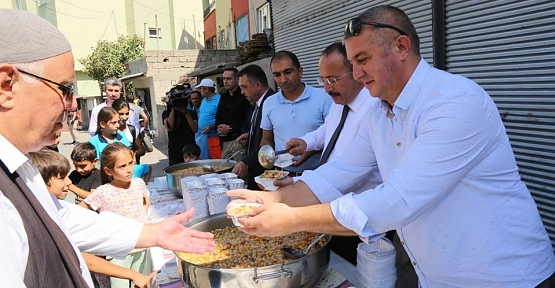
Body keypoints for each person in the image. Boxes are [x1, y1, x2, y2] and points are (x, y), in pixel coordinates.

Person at [228, 5, 555, 287]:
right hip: (436, 277)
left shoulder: (454, 101)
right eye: (352, 63)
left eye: (363, 59)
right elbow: (337, 174)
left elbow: (398, 201)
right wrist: (271, 198)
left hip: (508, 277)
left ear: (401, 47)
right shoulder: (380, 115)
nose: (356, 74)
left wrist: (289, 219)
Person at [0, 9, 214, 287]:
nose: (73, 104)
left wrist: (152, 233)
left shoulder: (18, 165)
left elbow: (61, 218)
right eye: (65, 89)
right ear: (7, 86)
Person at [279, 42, 388, 272]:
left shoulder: (375, 110)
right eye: (323, 80)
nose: (327, 88)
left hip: (358, 213)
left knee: (354, 271)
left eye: (333, 79)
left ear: (357, 74)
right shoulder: (339, 102)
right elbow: (327, 129)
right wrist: (307, 141)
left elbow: (351, 170)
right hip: (328, 198)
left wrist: (301, 186)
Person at [29, 149, 157, 288]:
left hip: (137, 245)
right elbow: (86, 258)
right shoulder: (45, 217)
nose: (69, 182)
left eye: (130, 163)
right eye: (62, 177)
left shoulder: (59, 209)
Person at [79, 143, 151, 288]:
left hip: (141, 246)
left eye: (130, 163)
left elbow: (146, 199)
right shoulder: (103, 192)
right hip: (116, 252)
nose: (129, 169)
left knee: (142, 283)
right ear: (108, 171)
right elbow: (80, 210)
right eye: (122, 166)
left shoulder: (138, 184)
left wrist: (142, 214)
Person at [260, 50, 332, 174]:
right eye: (277, 75)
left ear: (300, 71)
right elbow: (266, 139)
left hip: (317, 175)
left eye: (288, 72)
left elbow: (333, 135)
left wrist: (309, 150)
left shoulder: (324, 98)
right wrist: (267, 155)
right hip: (282, 174)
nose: (283, 79)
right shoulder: (269, 103)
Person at [231, 65, 275, 190]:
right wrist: (250, 135)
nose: (242, 92)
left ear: (257, 85)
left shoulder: (272, 104)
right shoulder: (256, 104)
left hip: (266, 175)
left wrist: (247, 162)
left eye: (244, 87)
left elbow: (271, 141)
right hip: (257, 173)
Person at [215, 68, 250, 162]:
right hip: (224, 142)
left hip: (239, 141)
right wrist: (219, 128)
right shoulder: (223, 97)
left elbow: (247, 120)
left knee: (240, 172)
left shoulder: (244, 96)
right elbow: (218, 116)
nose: (225, 82)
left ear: (236, 79)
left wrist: (230, 128)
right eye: (224, 79)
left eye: (228, 78)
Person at [162, 85, 198, 166]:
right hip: (175, 151)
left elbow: (194, 129)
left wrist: (185, 112)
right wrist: (173, 108)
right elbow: (170, 127)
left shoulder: (192, 113)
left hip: (190, 150)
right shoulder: (166, 113)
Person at [112, 98, 146, 164]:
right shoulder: (110, 131)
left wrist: (133, 154)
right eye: (121, 114)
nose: (125, 117)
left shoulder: (132, 129)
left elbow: (141, 149)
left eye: (127, 114)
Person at [195, 78, 221, 159]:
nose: (200, 91)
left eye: (201, 88)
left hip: (213, 137)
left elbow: (222, 119)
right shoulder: (204, 100)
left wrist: (211, 127)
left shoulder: (219, 100)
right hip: (201, 136)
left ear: (206, 89)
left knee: (215, 161)